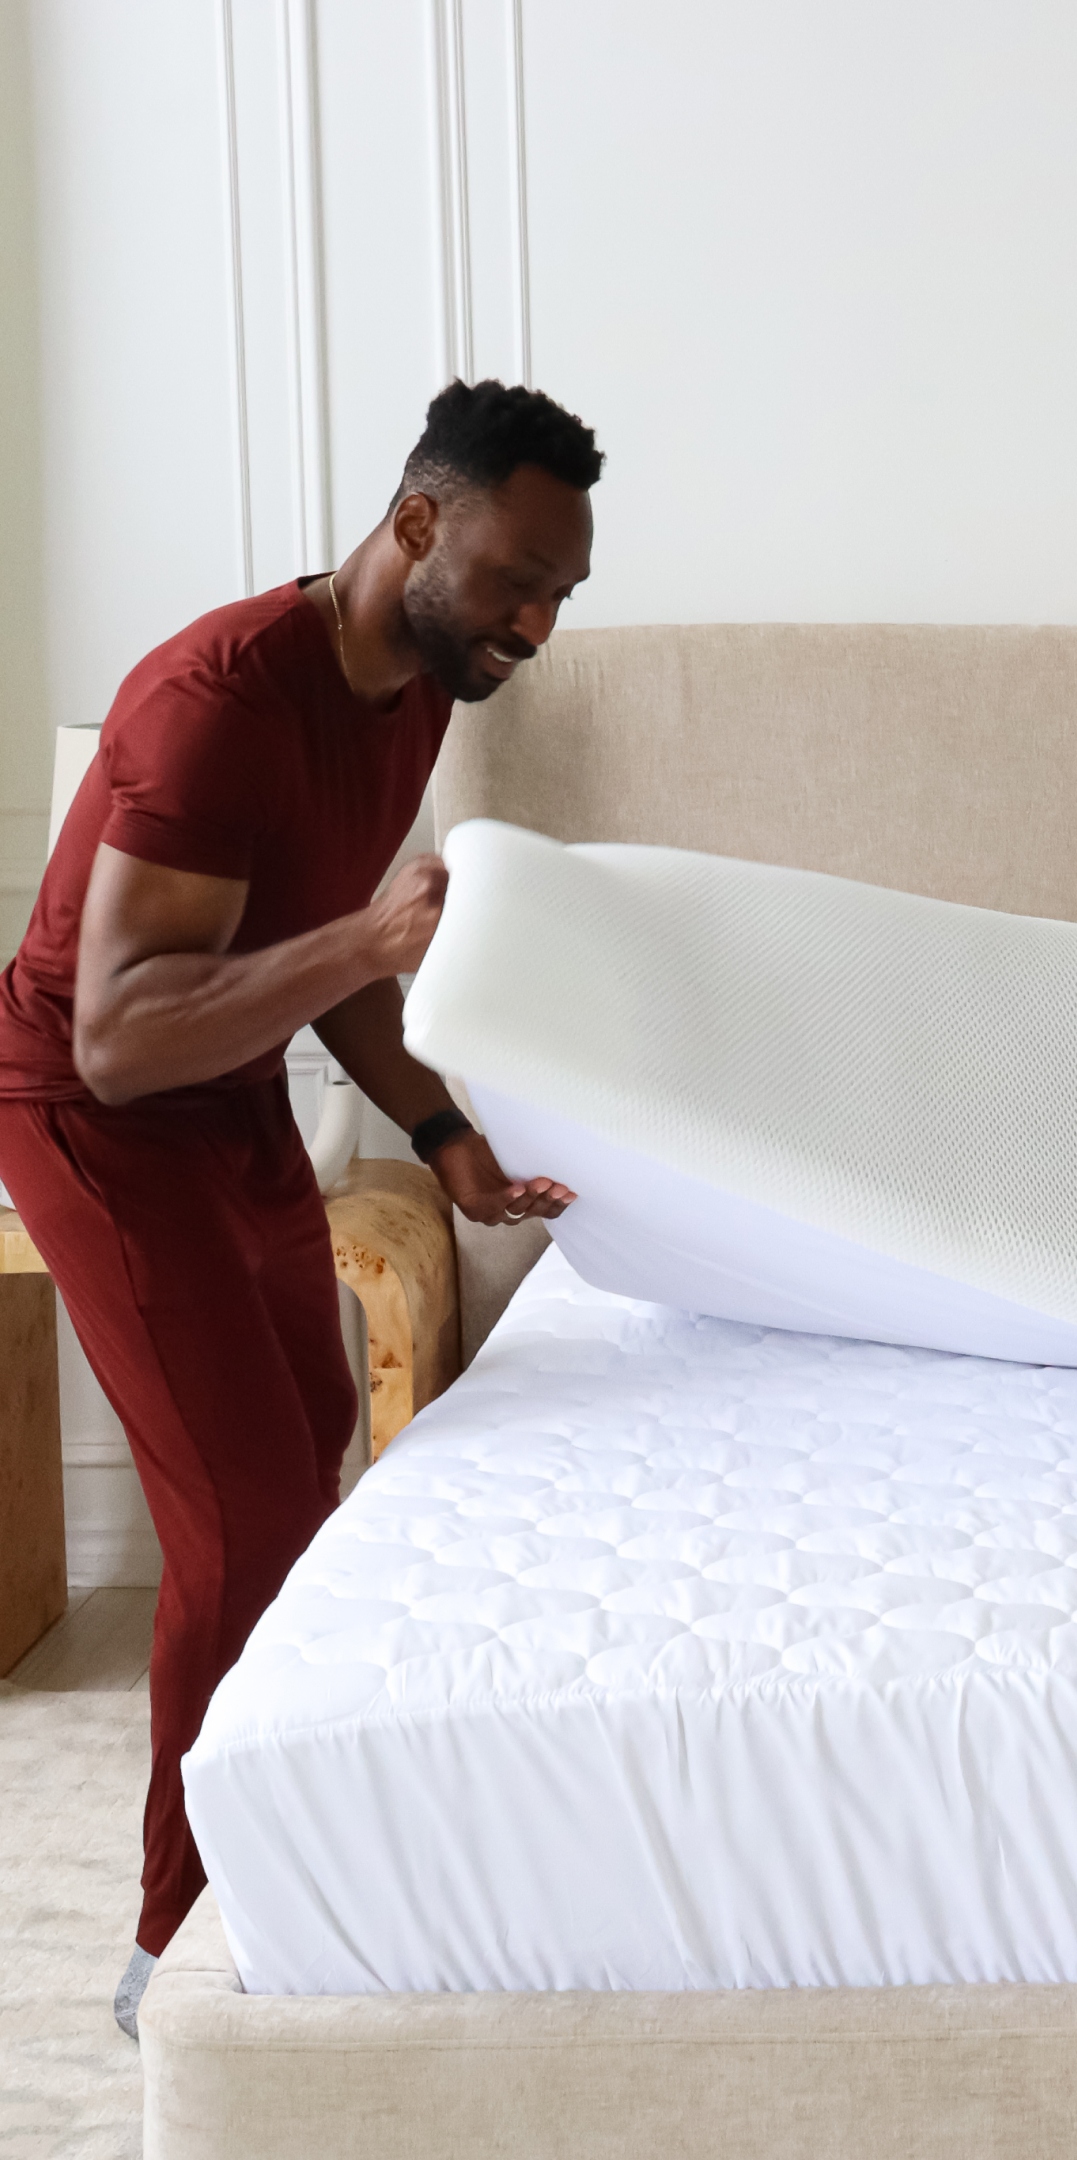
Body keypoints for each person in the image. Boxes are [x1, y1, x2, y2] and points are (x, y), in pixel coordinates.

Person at [0, 379, 597, 2037]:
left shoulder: (416, 685)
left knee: (311, 1462)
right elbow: (120, 1037)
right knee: (242, 1521)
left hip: (232, 1098)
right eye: (517, 581)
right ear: (415, 523)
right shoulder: (217, 706)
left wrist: (440, 1129)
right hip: (97, 1124)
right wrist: (368, 940)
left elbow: (323, 948)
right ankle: (173, 1954)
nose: (535, 627)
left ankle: (293, 1859)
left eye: (560, 593)